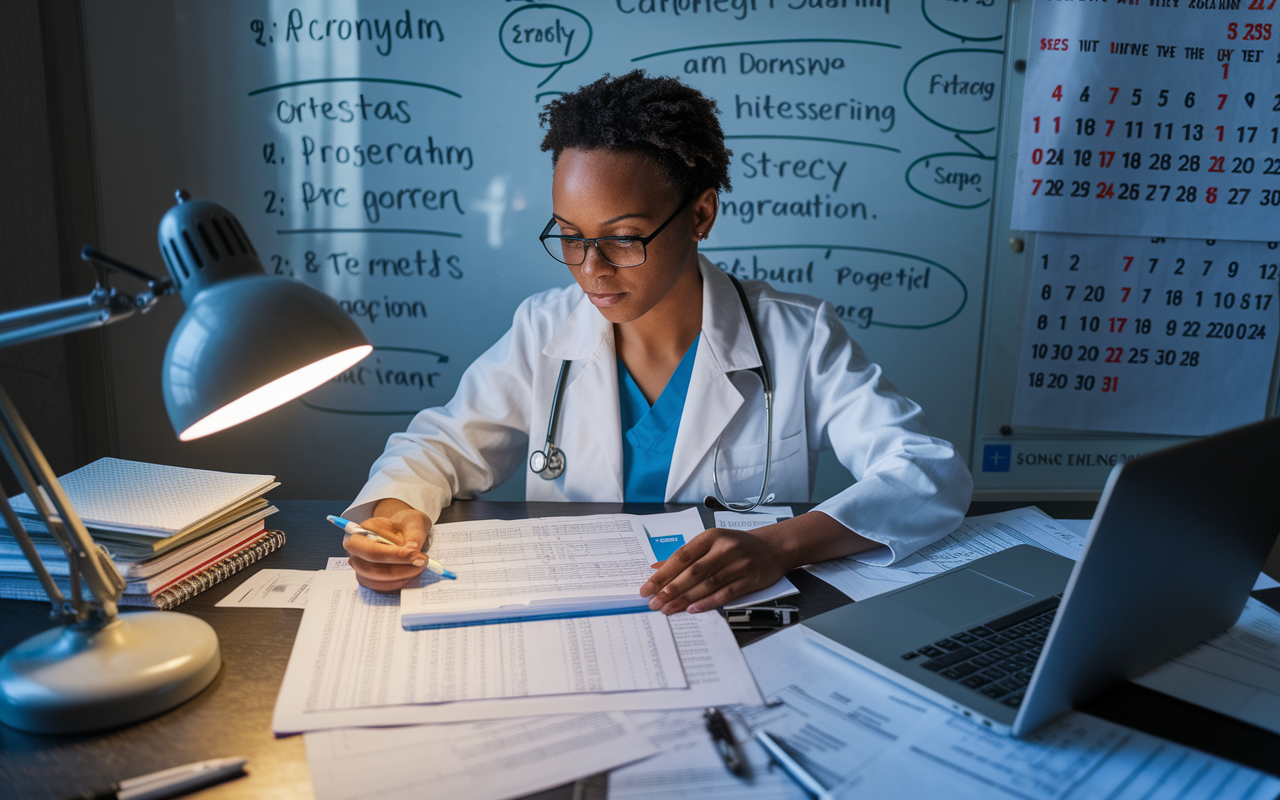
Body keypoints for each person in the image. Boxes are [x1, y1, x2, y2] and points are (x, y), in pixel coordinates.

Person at [342, 71, 972, 613]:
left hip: (737, 619)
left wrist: (781, 544)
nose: (591, 268)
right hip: (577, 618)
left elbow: (926, 473)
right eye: (569, 235)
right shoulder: (543, 327)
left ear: (700, 215)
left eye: (623, 237)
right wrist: (395, 512)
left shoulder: (797, 334)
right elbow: (440, 447)